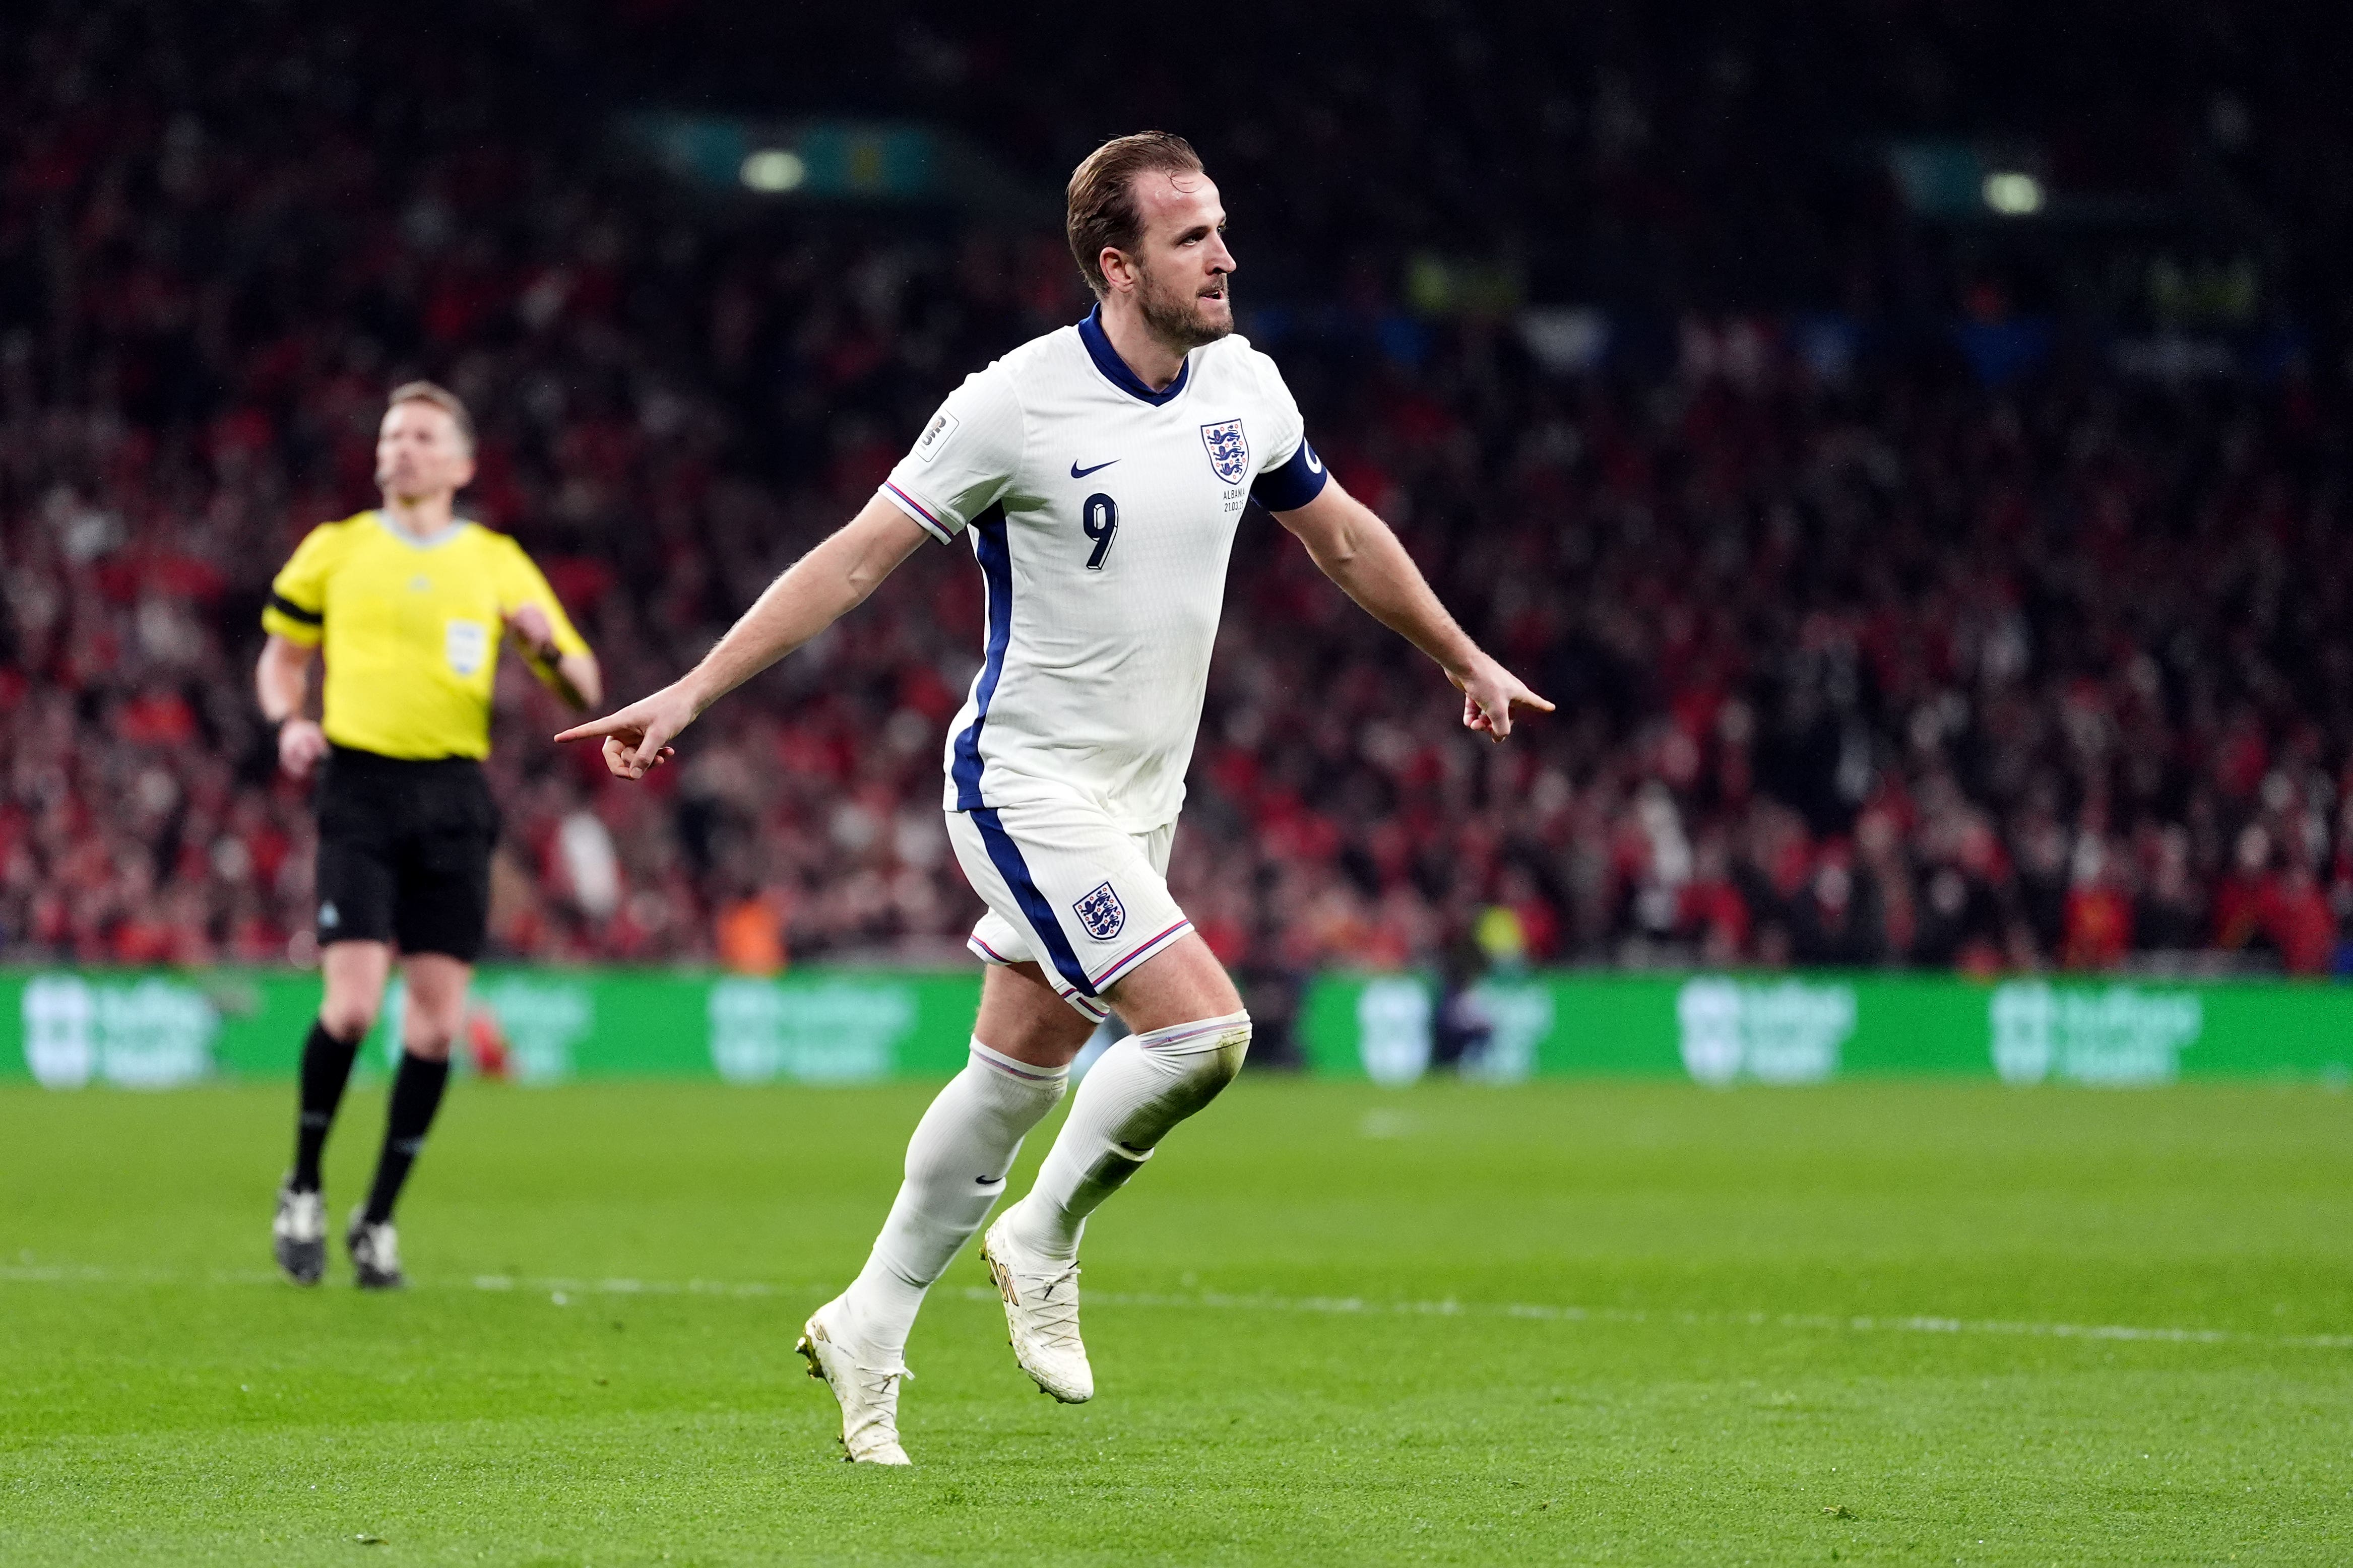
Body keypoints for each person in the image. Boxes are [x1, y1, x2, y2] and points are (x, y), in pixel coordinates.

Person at [559, 132, 1550, 1463]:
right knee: (1204, 1036)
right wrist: (690, 690)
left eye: (1221, 229)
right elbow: (856, 560)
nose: (1224, 256)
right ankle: (1040, 1238)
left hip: (1142, 802)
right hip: (1022, 783)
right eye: (1192, 237)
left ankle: (868, 1321)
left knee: (1014, 1072)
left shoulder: (1244, 389)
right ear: (1115, 263)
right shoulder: (1010, 407)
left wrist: (1460, 654)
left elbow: (1341, 534)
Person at [262, 381, 602, 1289]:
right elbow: (281, 659)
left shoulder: (494, 560)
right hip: (359, 786)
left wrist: (543, 649)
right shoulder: (335, 550)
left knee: (437, 1029)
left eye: (420, 436)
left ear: (460, 463)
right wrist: (287, 718)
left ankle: (376, 1220)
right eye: (390, 435)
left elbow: (584, 686)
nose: (399, 448)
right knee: (350, 1007)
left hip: (455, 795)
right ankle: (302, 1188)